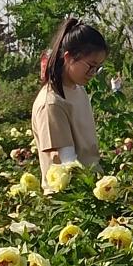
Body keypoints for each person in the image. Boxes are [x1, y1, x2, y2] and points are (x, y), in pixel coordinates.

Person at [31, 17, 107, 189]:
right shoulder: (51, 104)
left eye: (98, 67)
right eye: (91, 65)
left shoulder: (78, 90)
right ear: (69, 57)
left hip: (91, 189)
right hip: (69, 200)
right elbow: (68, 164)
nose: (93, 73)